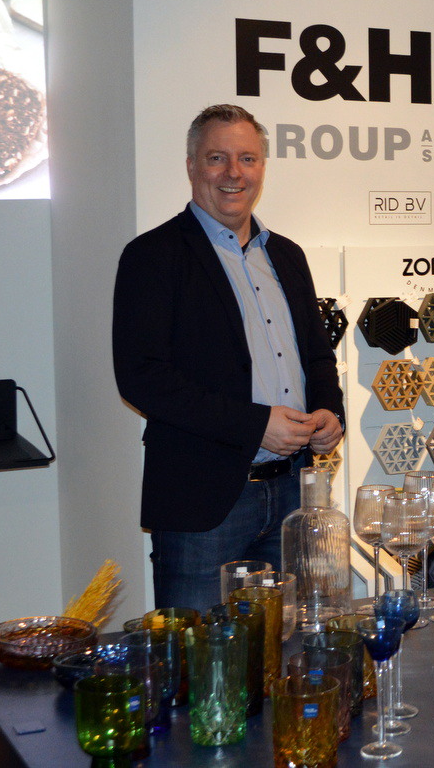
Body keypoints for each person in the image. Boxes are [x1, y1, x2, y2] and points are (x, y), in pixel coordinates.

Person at [113, 103, 344, 613]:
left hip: (294, 494)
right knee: (200, 654)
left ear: (262, 167)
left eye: (248, 159)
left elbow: (316, 354)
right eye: (217, 158)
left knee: (289, 647)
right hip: (205, 505)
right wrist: (255, 426)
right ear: (192, 165)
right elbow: (141, 378)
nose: (233, 173)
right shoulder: (152, 256)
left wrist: (330, 410)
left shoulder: (287, 255)